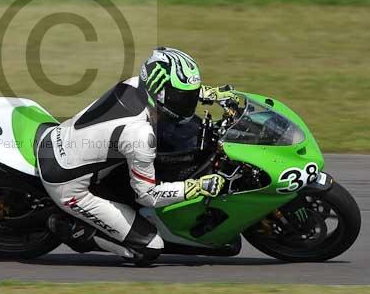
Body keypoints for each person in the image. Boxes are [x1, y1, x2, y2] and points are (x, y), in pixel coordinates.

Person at [35, 47, 237, 264]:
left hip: (62, 142)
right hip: (68, 184)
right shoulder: (140, 135)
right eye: (182, 97)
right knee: (150, 247)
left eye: (189, 96)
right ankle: (73, 230)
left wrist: (210, 94)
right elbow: (148, 196)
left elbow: (171, 95)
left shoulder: (134, 84)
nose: (187, 103)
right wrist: (197, 187)